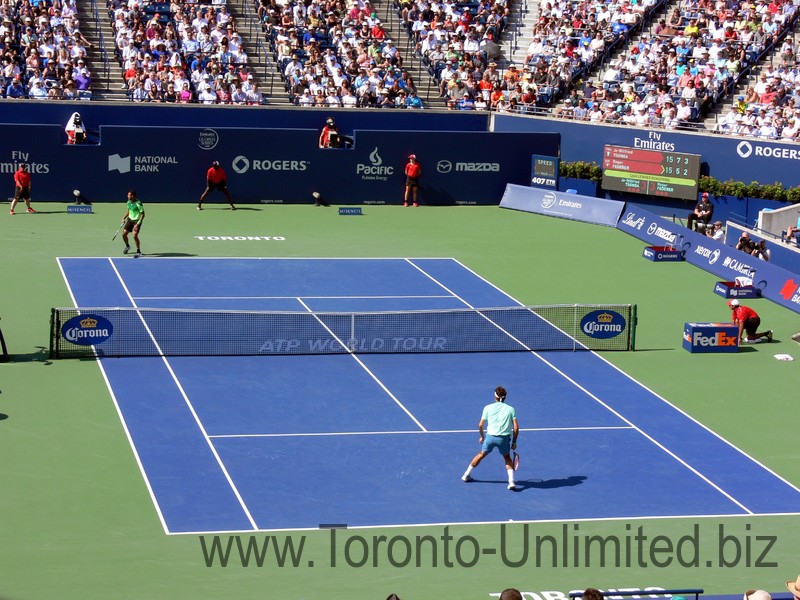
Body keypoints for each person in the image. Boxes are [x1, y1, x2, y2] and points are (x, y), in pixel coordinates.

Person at [462, 385, 519, 490]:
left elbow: (480, 425)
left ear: (495, 397)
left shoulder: (487, 407)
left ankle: (466, 475)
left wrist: (482, 437)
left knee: (481, 454)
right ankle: (511, 482)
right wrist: (514, 442)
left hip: (490, 438)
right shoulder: (511, 409)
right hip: (503, 439)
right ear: (505, 397)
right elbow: (516, 427)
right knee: (507, 457)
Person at [121, 190, 144, 257]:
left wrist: (138, 224)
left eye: (129, 195)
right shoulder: (128, 202)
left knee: (135, 235)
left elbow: (143, 214)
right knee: (124, 234)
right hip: (130, 220)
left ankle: (138, 251)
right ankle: (127, 246)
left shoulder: (138, 203)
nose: (127, 196)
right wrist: (123, 218)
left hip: (137, 221)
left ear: (132, 196)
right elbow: (128, 211)